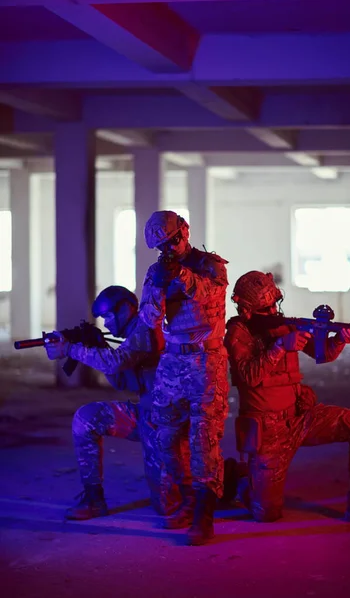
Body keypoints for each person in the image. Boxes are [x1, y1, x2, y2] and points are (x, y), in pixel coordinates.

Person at [224, 270, 350, 528]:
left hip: (300, 418)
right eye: (264, 308)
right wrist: (280, 347)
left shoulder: (285, 325)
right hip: (268, 432)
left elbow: (322, 355)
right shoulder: (237, 333)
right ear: (246, 309)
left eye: (273, 305)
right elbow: (249, 376)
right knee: (266, 513)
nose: (271, 312)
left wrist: (341, 340)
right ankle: (239, 478)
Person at [44, 285, 184, 520]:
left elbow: (114, 363)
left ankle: (224, 477)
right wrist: (97, 345)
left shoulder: (147, 329)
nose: (106, 323)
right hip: (146, 415)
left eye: (109, 316)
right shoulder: (132, 337)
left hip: (166, 423)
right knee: (87, 418)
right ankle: (93, 498)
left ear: (126, 309)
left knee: (167, 505)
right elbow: (122, 381)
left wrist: (70, 348)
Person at [140, 210, 229, 545]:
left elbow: (210, 295)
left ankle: (203, 517)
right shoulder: (157, 271)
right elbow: (149, 320)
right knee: (164, 436)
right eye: (163, 245)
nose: (171, 248)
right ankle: (187, 500)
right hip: (173, 362)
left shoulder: (210, 264)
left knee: (203, 439)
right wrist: (159, 287)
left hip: (207, 360)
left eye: (174, 240)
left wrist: (180, 275)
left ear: (185, 231)